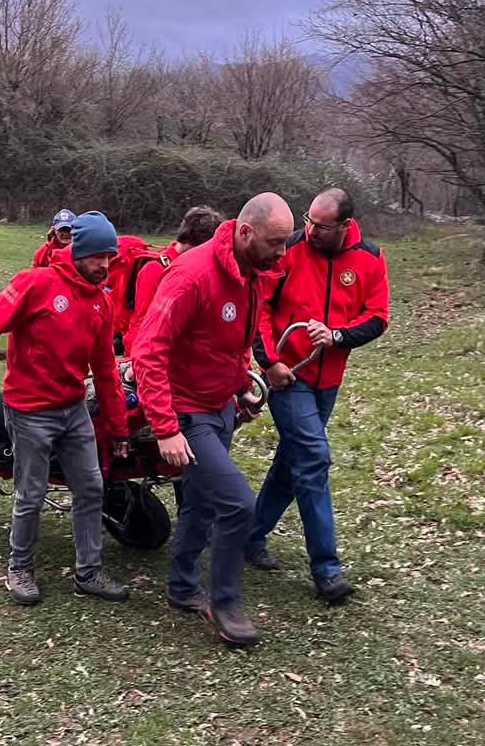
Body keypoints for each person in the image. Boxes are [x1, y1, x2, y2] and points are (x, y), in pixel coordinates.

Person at [131, 193, 294, 647]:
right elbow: (148, 350)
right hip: (187, 412)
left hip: (220, 407)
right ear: (245, 233)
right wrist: (165, 426)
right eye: (275, 242)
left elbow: (226, 341)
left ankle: (182, 587)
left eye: (286, 243)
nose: (282, 253)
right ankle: (225, 602)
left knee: (202, 503)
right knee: (237, 503)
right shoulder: (192, 274)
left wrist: (242, 381)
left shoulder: (252, 274)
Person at [0, 211, 131, 606]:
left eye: (109, 256)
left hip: (74, 407)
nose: (104, 264)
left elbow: (106, 370)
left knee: (91, 487)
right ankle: (20, 568)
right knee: (31, 493)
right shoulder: (35, 284)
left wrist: (117, 428)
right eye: (97, 255)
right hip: (29, 409)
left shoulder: (101, 302)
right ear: (77, 250)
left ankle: (88, 572)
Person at [247, 188, 390, 604]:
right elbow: (261, 306)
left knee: (292, 462)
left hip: (328, 379)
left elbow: (378, 317)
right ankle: (326, 569)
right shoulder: (288, 249)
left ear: (345, 226)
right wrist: (270, 361)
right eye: (307, 221)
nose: (310, 231)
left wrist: (338, 335)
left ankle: (250, 536)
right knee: (313, 458)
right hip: (288, 377)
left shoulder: (370, 258)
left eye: (321, 226)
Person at [123, 206, 224, 353]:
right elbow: (141, 322)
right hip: (150, 357)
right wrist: (136, 361)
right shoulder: (155, 270)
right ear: (196, 245)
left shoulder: (198, 271)